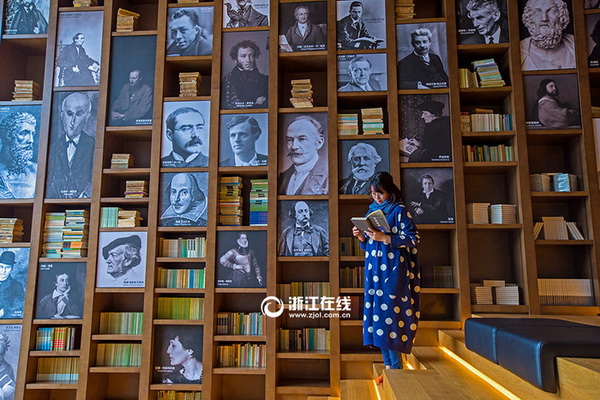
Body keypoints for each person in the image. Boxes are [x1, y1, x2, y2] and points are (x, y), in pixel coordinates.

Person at [351, 171, 420, 385]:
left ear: (389, 190)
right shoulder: (371, 211)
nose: (376, 198)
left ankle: (397, 370)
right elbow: (370, 245)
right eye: (372, 194)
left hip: (393, 271)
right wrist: (363, 237)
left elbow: (413, 238)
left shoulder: (399, 211)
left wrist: (386, 237)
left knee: (391, 318)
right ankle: (389, 368)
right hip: (374, 271)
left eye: (379, 193)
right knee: (376, 319)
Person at [46, 92, 95, 199]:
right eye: (69, 113)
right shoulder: (51, 148)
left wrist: (86, 195)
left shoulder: (95, 146)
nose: (72, 122)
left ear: (87, 117)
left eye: (78, 114)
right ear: (62, 115)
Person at [520, 0, 576, 70]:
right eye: (537, 12)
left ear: (561, 15)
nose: (544, 18)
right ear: (529, 18)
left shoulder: (576, 45)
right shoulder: (519, 50)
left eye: (550, 11)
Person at [278, 115, 328, 195]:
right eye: (290, 140)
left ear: (319, 142)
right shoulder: (282, 177)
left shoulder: (329, 176)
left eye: (302, 139)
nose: (294, 146)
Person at [0, 111, 38, 199]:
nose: (31, 140)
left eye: (32, 134)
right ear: (9, 135)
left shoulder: (35, 170)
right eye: (24, 133)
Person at [221, 40, 268, 109]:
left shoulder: (263, 79)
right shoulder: (228, 79)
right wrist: (255, 104)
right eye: (243, 56)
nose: (248, 60)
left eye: (251, 56)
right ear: (235, 60)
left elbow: (265, 103)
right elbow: (229, 105)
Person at [0, 251, 24, 319]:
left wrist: (5, 311)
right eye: (1, 267)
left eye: (7, 267)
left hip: (6, 319)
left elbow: (21, 305)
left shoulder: (17, 285)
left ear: (12, 269)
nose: (3, 271)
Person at [0, 334, 16, 400]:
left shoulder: (8, 368)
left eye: (0, 355)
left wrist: (11, 389)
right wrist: (2, 392)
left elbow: (14, 388)